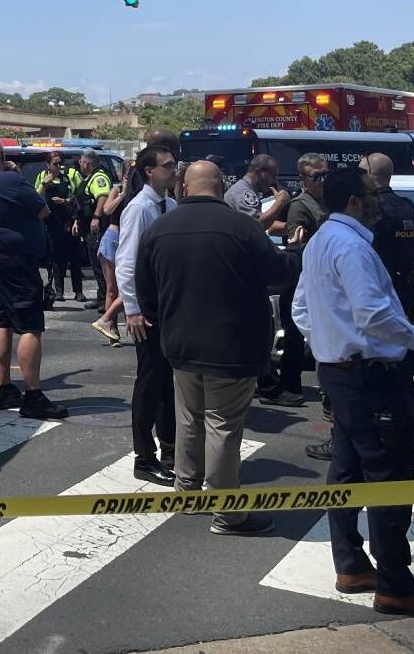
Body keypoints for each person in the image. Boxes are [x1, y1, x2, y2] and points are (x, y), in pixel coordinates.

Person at [291, 167, 414, 617]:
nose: (379, 199)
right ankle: (396, 587)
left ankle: (352, 565)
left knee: (346, 468)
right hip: (372, 376)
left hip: (341, 373)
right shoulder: (351, 244)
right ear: (356, 201)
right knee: (388, 478)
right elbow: (373, 313)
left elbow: (303, 307)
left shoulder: (323, 239)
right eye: (371, 193)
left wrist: (327, 341)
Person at [135, 161, 299, 535]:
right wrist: (295, 253)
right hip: (232, 344)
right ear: (220, 187)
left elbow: (144, 290)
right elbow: (278, 273)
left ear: (186, 188)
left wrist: (164, 317)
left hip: (178, 342)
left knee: (189, 418)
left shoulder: (160, 228)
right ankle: (227, 512)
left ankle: (188, 495)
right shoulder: (241, 227)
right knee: (223, 425)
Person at [0, 136, 69, 419]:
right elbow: (43, 210)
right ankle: (33, 395)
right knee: (30, 325)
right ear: (1, 154)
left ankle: (4, 388)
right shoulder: (11, 181)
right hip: (16, 258)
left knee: (3, 320)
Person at [115, 143, 181, 484]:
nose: (174, 170)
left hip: (168, 307)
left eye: (174, 165)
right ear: (149, 171)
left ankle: (170, 450)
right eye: (167, 166)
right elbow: (126, 263)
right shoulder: (139, 208)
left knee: (168, 385)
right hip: (149, 309)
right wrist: (134, 309)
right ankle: (145, 457)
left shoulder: (169, 204)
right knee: (149, 383)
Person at [261, 152, 330, 409]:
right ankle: (290, 384)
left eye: (325, 175)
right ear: (303, 178)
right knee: (293, 336)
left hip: (325, 278)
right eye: (317, 176)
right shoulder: (301, 206)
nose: (322, 181)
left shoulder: (329, 201)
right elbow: (296, 243)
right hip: (303, 279)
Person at [362, 153, 414, 322]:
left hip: (380, 295)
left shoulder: (369, 211)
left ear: (368, 173)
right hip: (408, 292)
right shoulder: (410, 206)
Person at [36, 153, 85, 302]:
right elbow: (36, 197)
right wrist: (44, 183)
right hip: (52, 224)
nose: (59, 166)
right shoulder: (42, 176)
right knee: (56, 259)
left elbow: (79, 197)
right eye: (55, 164)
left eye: (60, 163)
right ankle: (59, 291)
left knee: (75, 259)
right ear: (48, 164)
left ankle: (78, 291)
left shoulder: (70, 176)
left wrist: (65, 201)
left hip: (69, 222)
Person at [90, 180, 130, 345]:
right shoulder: (118, 189)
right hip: (113, 239)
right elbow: (107, 210)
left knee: (127, 287)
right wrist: (122, 194)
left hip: (128, 240)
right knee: (112, 289)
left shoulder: (143, 191)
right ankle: (111, 329)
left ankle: (129, 324)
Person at [75, 150, 114, 302]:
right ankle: (101, 296)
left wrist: (96, 217)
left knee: (99, 264)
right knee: (94, 262)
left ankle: (105, 299)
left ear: (87, 163)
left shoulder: (99, 177)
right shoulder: (89, 177)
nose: (79, 164)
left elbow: (102, 196)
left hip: (97, 227)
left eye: (81, 161)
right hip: (88, 226)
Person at [224, 154, 292, 234]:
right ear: (258, 172)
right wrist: (280, 202)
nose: (274, 181)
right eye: (272, 176)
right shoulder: (242, 192)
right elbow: (257, 225)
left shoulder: (248, 189)